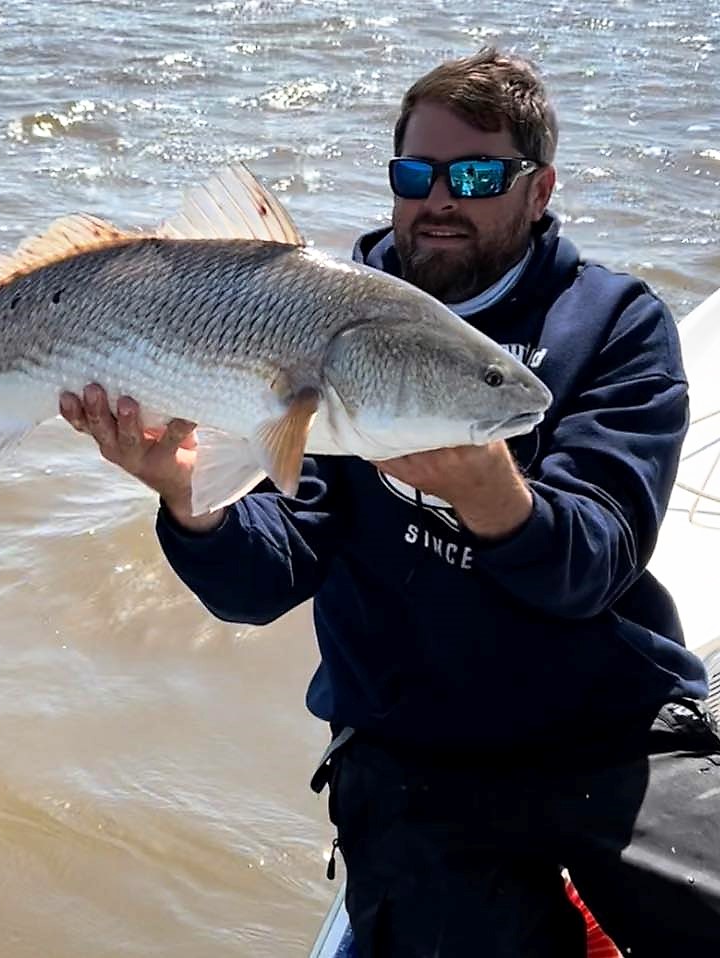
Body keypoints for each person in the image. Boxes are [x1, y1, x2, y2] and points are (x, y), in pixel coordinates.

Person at [59, 47, 720, 957]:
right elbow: (267, 576)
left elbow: (598, 558)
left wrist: (497, 497)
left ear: (539, 189)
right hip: (413, 756)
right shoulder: (322, 324)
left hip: (610, 725)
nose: (439, 199)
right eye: (416, 173)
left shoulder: (612, 326)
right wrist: (190, 501)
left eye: (478, 174)